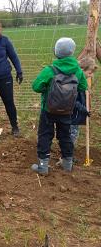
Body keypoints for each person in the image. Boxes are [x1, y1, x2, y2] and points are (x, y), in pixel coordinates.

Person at [31, 38, 87, 175]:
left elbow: (36, 87)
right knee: (65, 136)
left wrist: (47, 89)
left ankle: (43, 166)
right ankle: (67, 164)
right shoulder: (78, 71)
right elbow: (83, 87)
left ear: (56, 52)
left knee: (45, 135)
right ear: (72, 52)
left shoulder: (50, 70)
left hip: (48, 109)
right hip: (67, 110)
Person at [70, 57, 97, 145]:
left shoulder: (80, 80)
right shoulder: (75, 81)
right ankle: (67, 156)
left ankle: (68, 155)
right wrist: (83, 109)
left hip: (75, 114)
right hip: (72, 115)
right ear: (82, 70)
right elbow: (72, 99)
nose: (91, 75)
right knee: (72, 135)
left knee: (73, 134)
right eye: (89, 73)